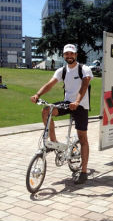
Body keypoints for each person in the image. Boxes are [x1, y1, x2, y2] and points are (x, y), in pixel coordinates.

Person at [30, 44, 93, 184]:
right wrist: (37, 94)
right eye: (66, 54)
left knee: (83, 138)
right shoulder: (62, 70)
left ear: (76, 55)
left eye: (71, 54)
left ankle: (83, 171)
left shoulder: (84, 69)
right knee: (46, 111)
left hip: (81, 105)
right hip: (67, 103)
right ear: (63, 55)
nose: (69, 56)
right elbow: (50, 84)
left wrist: (77, 101)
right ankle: (53, 142)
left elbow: (84, 86)